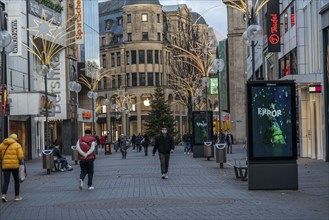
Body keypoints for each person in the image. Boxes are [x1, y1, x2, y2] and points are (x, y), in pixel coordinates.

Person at [0, 134, 24, 202]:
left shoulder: (2, 144)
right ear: (15, 139)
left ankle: (4, 195)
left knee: (6, 181)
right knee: (16, 180)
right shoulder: (17, 145)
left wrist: (2, 158)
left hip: (5, 166)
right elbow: (20, 156)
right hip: (15, 166)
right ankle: (17, 196)